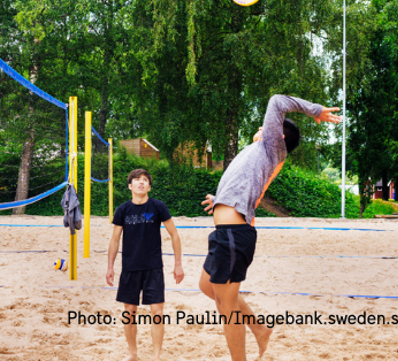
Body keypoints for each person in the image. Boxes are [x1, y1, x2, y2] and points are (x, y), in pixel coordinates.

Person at [199, 95, 341, 361]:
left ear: (279, 136)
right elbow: (247, 185)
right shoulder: (257, 153)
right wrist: (219, 201)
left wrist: (315, 111)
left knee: (227, 308)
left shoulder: (272, 147)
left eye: (267, 127)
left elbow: (277, 101)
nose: (261, 128)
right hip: (225, 233)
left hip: (233, 234)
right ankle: (260, 329)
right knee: (207, 287)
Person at [106, 169, 184, 361]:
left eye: (144, 180)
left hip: (153, 267)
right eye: (136, 180)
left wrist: (178, 264)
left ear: (149, 186)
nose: (141, 183)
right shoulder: (122, 210)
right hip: (130, 268)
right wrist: (110, 267)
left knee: (157, 312)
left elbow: (174, 235)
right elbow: (115, 240)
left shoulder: (158, 207)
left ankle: (156, 356)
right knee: (129, 313)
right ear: (130, 186)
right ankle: (133, 354)